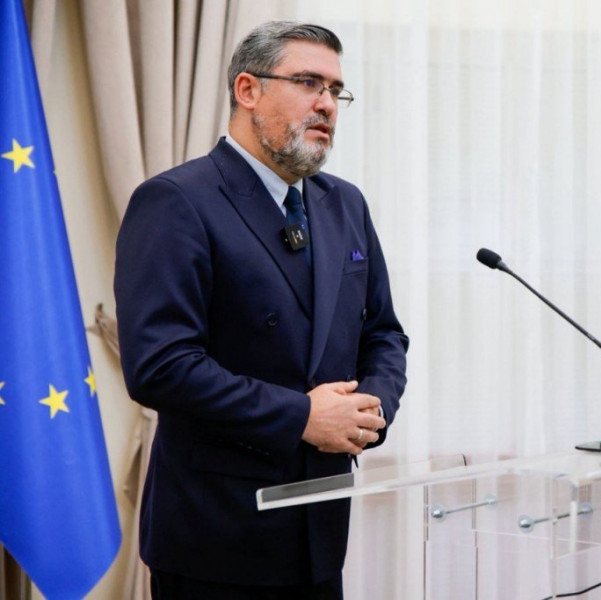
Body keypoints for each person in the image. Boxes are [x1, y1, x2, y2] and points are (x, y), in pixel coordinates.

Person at [114, 21, 409, 599]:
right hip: (216, 536)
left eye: (335, 90)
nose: (327, 104)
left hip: (319, 525)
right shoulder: (176, 201)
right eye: (308, 83)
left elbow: (383, 334)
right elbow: (160, 366)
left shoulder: (344, 203)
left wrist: (369, 411)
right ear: (247, 90)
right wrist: (301, 416)